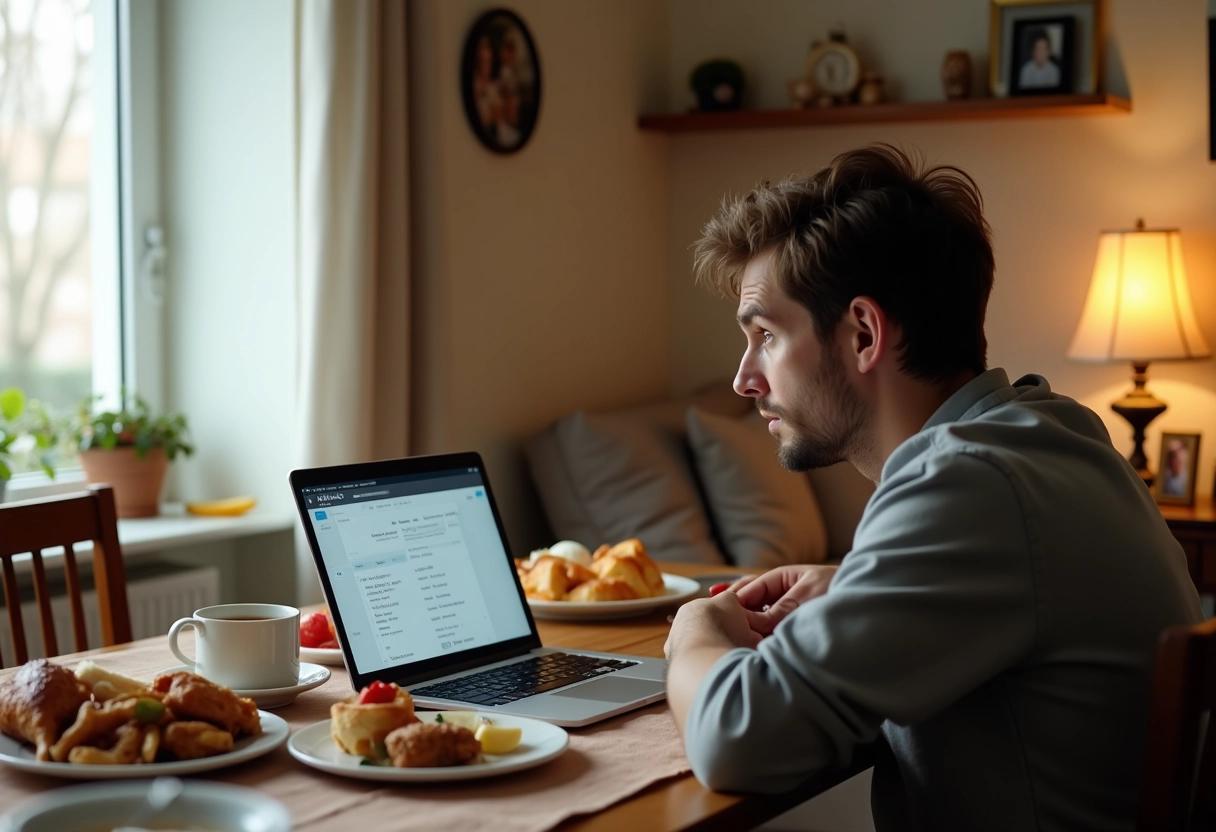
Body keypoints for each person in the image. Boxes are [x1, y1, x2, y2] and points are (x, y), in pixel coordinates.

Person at [665, 144, 1202, 831]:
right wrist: (856, 587)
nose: (745, 379)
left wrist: (695, 630)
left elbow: (736, 740)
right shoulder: (1049, 429)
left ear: (863, 333)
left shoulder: (970, 484)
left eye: (766, 334)